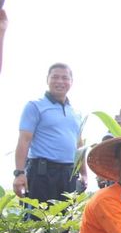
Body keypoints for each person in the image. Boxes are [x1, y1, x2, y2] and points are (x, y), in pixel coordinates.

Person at [13, 63, 88, 201]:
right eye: (55, 77)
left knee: (66, 220)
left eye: (65, 78)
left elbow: (79, 145)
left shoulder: (76, 113)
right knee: (39, 219)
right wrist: (19, 173)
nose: (60, 81)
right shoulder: (35, 106)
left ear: (71, 81)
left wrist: (84, 174)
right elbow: (24, 140)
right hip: (42, 174)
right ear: (47, 79)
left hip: (69, 174)